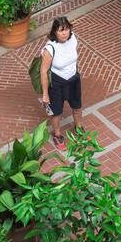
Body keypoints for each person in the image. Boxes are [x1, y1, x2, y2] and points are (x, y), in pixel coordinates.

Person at [39, 16, 82, 147]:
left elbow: (73, 55)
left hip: (73, 78)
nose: (64, 33)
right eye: (60, 30)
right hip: (57, 83)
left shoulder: (73, 37)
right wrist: (45, 94)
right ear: (54, 32)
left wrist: (74, 71)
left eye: (66, 29)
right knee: (57, 112)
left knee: (77, 107)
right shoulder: (50, 48)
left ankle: (78, 128)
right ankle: (57, 134)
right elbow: (43, 72)